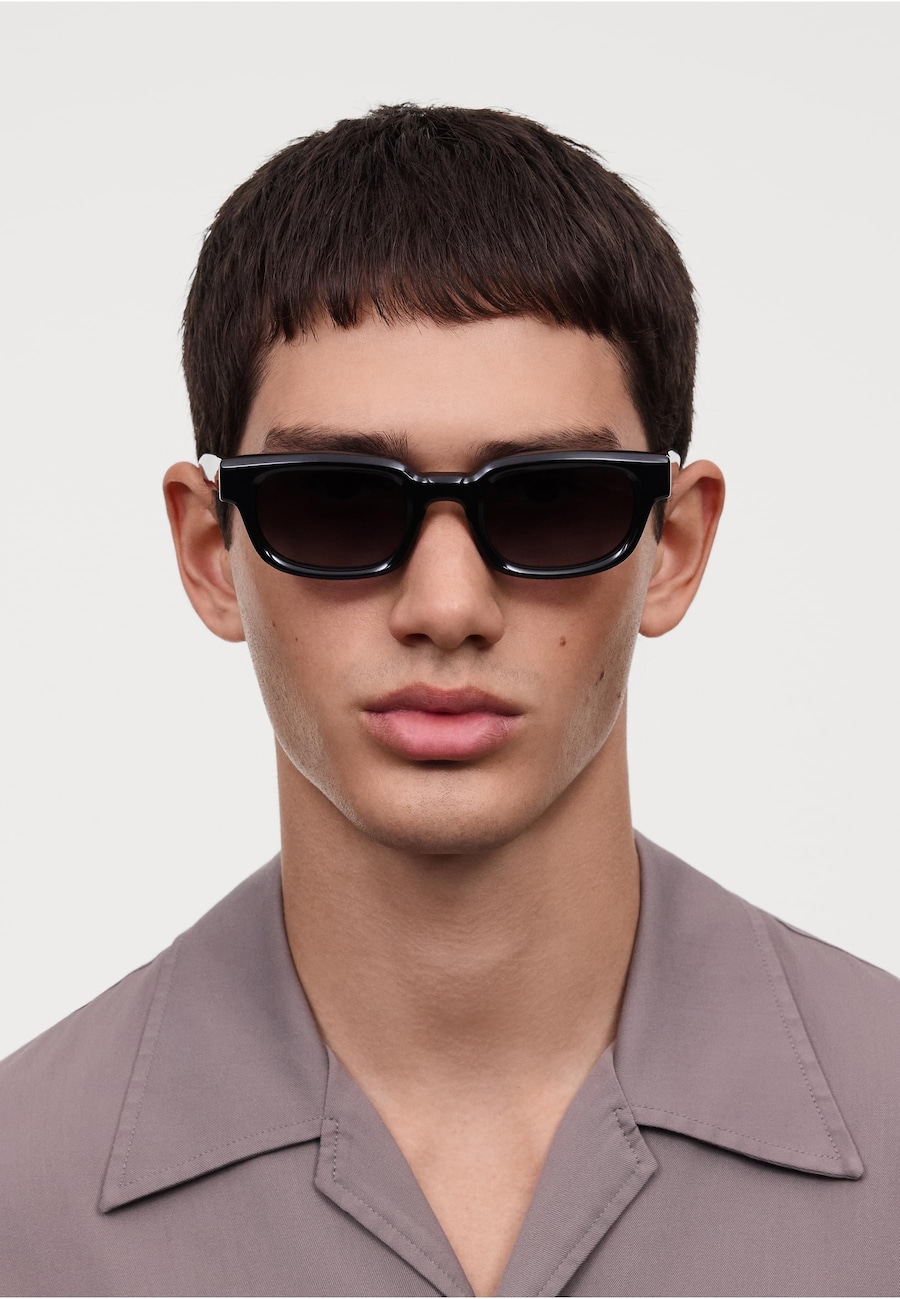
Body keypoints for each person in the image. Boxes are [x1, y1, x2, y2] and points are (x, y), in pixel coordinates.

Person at [1, 103, 897, 1299]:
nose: (446, 605)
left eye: (552, 500)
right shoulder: (20, 1197)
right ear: (212, 555)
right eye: (332, 501)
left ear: (673, 547)